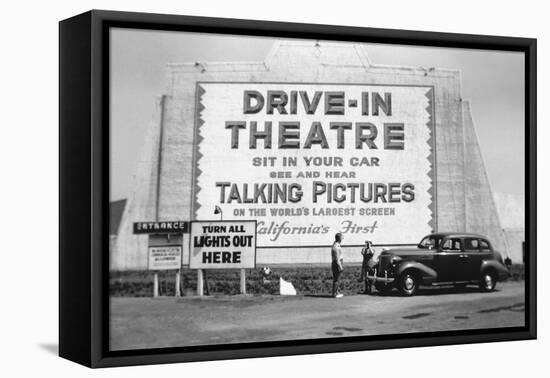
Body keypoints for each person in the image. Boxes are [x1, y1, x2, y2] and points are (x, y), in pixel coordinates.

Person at [331, 233, 345, 298]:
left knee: (337, 279)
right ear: (339, 238)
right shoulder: (336, 247)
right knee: (337, 279)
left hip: (337, 263)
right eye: (342, 237)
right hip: (337, 263)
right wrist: (340, 266)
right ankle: (335, 293)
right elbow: (337, 258)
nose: (343, 238)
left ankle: (337, 292)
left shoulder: (337, 245)